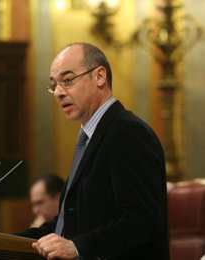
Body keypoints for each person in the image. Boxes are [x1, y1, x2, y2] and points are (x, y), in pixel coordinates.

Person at [18, 42, 170, 260]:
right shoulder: (92, 137)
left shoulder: (127, 132)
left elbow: (143, 220)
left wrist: (78, 247)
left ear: (99, 76)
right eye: (54, 85)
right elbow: (66, 225)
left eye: (68, 80)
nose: (59, 93)